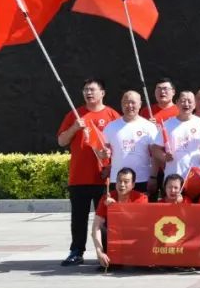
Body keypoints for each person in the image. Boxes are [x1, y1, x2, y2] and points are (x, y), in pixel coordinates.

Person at [58, 78, 121, 267]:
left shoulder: (112, 115)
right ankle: (77, 251)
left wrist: (111, 166)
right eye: (86, 89)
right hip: (79, 176)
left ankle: (108, 251)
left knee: (106, 217)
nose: (89, 93)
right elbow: (61, 141)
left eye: (93, 89)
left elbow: (121, 144)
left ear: (103, 93)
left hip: (104, 177)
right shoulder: (75, 114)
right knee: (79, 217)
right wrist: (74, 128)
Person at [90, 167, 148, 270]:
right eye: (119, 181)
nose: (122, 185)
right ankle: (109, 259)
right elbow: (96, 227)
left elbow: (137, 223)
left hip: (133, 237)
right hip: (114, 237)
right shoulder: (106, 198)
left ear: (133, 184)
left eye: (126, 182)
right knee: (103, 228)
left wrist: (116, 208)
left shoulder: (141, 198)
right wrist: (99, 252)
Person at [103, 90, 157, 193]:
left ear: (140, 104)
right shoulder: (111, 127)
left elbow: (155, 155)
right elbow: (102, 152)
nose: (129, 105)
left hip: (142, 179)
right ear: (121, 104)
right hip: (118, 181)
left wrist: (153, 177)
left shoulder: (149, 127)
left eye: (133, 102)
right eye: (126, 102)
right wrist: (103, 154)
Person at [154, 91, 200, 184]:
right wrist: (164, 157)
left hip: (195, 177)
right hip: (172, 178)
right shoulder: (167, 124)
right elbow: (155, 149)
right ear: (177, 103)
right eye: (183, 101)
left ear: (195, 104)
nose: (186, 104)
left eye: (189, 101)